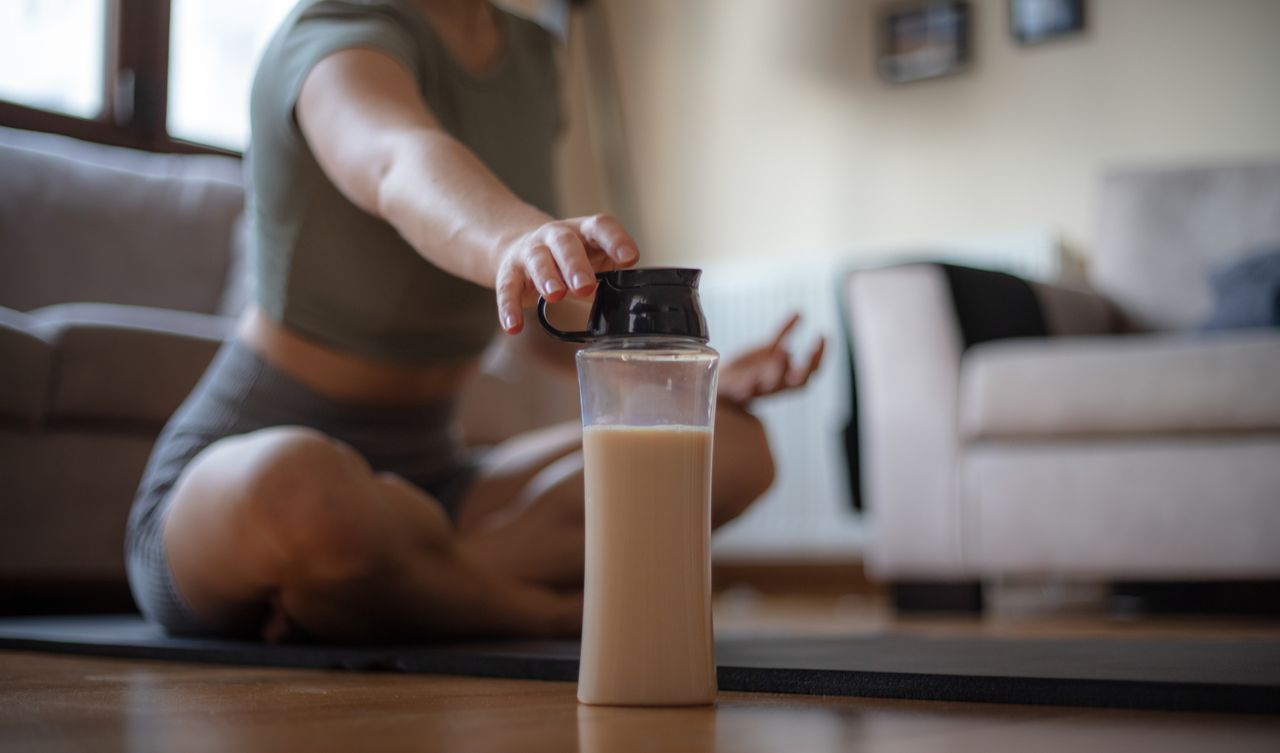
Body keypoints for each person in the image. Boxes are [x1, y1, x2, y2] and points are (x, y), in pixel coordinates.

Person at [124, 0, 824, 643]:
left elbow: (545, 320)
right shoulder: (335, 24)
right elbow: (398, 164)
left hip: (438, 486)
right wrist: (515, 242)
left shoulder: (531, 56)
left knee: (732, 449)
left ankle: (380, 584)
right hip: (252, 473)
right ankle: (521, 609)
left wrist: (677, 381)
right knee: (302, 489)